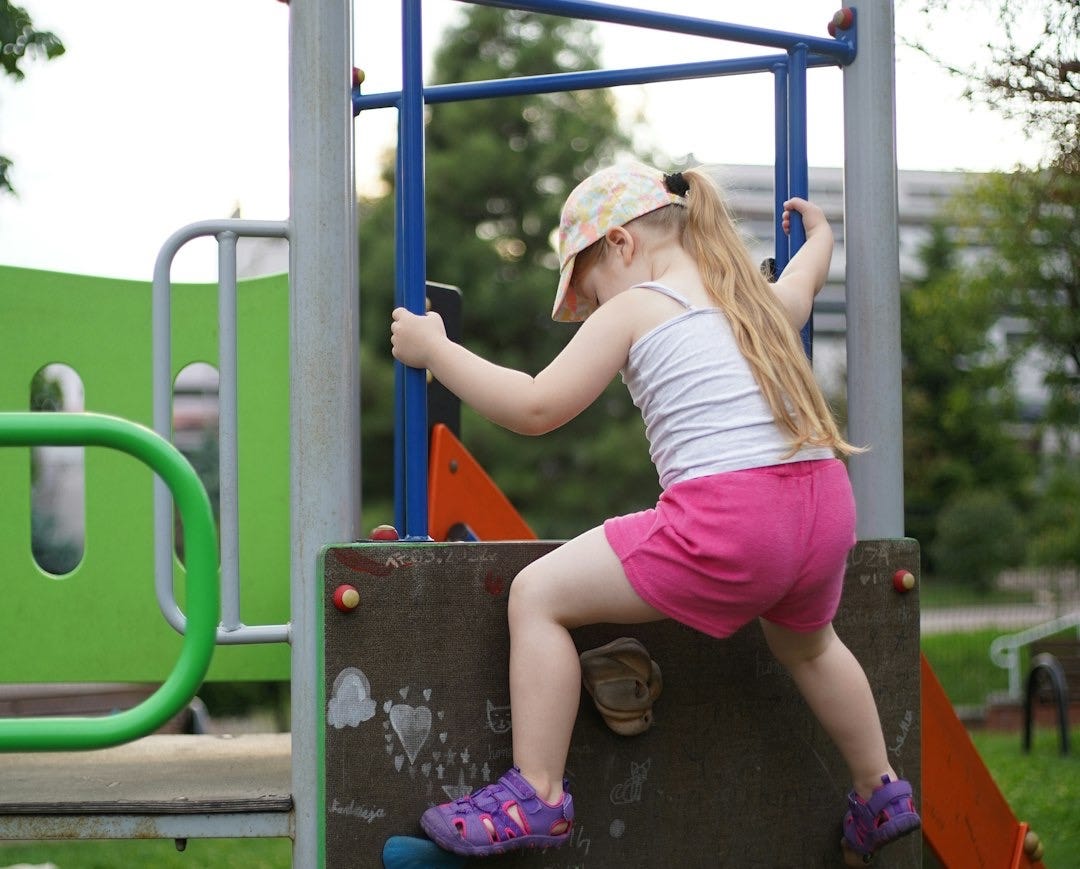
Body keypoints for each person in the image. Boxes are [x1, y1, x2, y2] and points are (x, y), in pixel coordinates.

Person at [389, 162, 921, 862]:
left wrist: (437, 350)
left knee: (537, 594)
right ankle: (879, 789)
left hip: (731, 518)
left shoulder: (636, 306)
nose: (595, 303)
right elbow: (807, 280)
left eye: (590, 287)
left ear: (620, 245)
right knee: (811, 645)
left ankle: (537, 792)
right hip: (823, 505)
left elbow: (536, 404)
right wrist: (821, 234)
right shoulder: (752, 296)